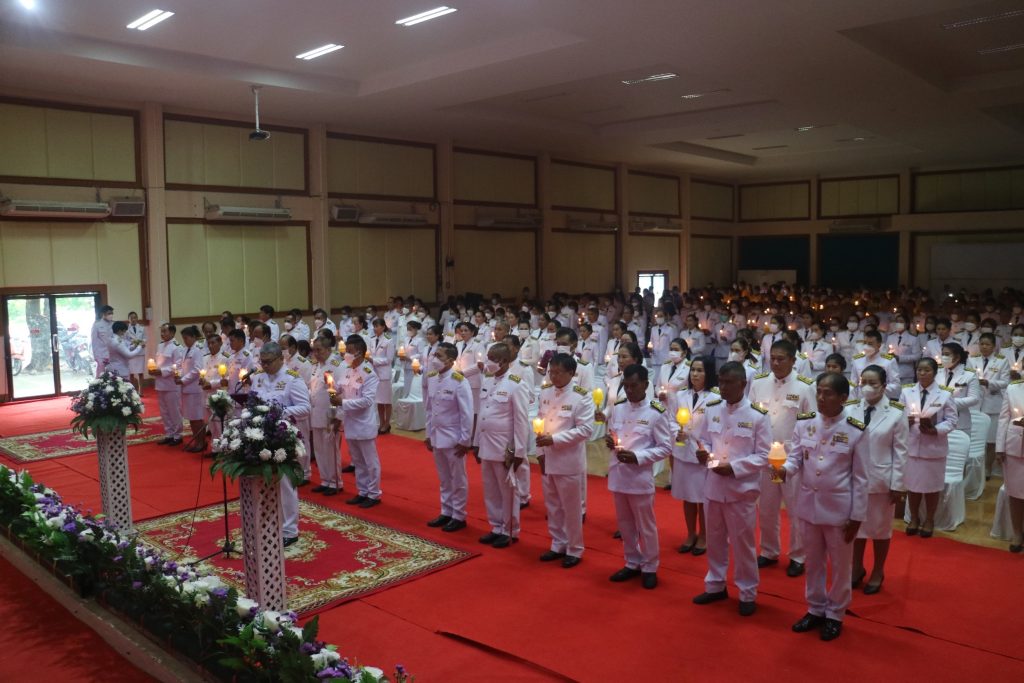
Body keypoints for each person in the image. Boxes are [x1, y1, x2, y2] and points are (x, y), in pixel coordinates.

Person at [775, 372, 869, 642]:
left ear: (843, 398)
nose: (821, 397)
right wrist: (783, 470)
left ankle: (835, 614)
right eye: (819, 392)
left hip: (839, 510)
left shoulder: (856, 430)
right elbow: (796, 459)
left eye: (828, 393)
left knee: (840, 566)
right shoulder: (805, 422)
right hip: (808, 505)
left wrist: (857, 516)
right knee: (813, 563)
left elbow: (861, 478)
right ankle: (815, 609)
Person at [691, 361, 771, 616]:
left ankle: (747, 592)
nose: (723, 387)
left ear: (743, 384)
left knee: (743, 544)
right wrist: (703, 453)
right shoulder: (713, 408)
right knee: (715, 540)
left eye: (728, 383)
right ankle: (715, 584)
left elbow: (764, 456)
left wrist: (734, 468)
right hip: (714, 485)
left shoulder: (757, 416)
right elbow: (704, 439)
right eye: (721, 382)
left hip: (741, 490)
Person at [748, 339, 816, 577]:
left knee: (796, 509)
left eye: (781, 359)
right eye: (772, 358)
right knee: (767, 507)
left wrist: (804, 458)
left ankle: (798, 555)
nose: (775, 363)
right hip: (765, 456)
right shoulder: (759, 383)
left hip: (792, 457)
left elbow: (811, 425)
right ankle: (769, 550)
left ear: (793, 360)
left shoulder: (805, 387)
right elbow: (752, 417)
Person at [604, 364, 673, 589]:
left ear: (645, 384)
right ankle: (632, 561)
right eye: (626, 386)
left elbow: (665, 447)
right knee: (625, 524)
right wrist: (610, 442)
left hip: (640, 476)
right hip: (618, 473)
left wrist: (638, 456)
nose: (629, 390)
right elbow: (613, 433)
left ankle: (650, 566)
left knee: (646, 525)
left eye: (634, 385)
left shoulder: (656, 412)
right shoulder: (619, 407)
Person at [848, 365, 908, 595]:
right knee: (855, 527)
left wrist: (898, 484)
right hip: (853, 479)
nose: (867, 387)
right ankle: (856, 567)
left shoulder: (896, 412)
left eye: (873, 383)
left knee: (880, 529)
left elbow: (901, 451)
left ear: (884, 386)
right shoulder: (851, 408)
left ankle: (878, 570)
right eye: (864, 382)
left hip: (881, 479)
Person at [536, 353, 595, 568]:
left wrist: (554, 440)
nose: (554, 376)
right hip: (548, 457)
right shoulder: (545, 392)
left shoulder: (581, 396)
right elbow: (539, 423)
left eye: (558, 372)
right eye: (551, 372)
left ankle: (574, 548)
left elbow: (585, 430)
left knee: (571, 508)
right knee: (552, 505)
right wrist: (540, 453)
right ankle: (557, 543)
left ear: (571, 373)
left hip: (568, 460)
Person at [249, 342, 310, 547]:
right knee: (265, 481)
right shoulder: (258, 377)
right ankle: (270, 523)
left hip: (284, 436)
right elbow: (253, 402)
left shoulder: (292, 379)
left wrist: (280, 412)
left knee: (285, 483)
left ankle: (290, 530)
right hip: (261, 436)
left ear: (280, 359)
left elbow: (305, 407)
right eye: (262, 362)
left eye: (268, 362)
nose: (265, 366)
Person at [472, 342, 530, 548]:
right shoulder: (488, 380)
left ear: (504, 361)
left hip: (504, 447)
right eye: (488, 357)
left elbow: (521, 421)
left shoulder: (516, 384)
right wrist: (476, 443)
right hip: (486, 443)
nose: (488, 362)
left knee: (508, 492)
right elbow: (482, 413)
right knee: (491, 490)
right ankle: (496, 526)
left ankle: (509, 530)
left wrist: (518, 451)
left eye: (493, 359)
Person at [900, 358, 958, 537]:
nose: (922, 373)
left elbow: (952, 421)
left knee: (932, 487)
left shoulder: (945, 394)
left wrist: (936, 430)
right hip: (912, 445)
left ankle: (930, 519)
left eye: (927, 370)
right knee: (912, 486)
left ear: (935, 372)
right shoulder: (907, 391)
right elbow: (899, 415)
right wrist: (905, 421)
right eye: (919, 370)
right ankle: (914, 518)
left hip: (933, 447)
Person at [424, 342, 475, 532]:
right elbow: (430, 409)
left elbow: (466, 413)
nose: (435, 359)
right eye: (435, 354)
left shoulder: (459, 381)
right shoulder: (432, 378)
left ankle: (459, 515)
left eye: (440, 356)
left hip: (454, 438)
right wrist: (428, 434)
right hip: (437, 435)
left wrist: (465, 440)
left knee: (457, 479)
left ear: (451, 361)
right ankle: (446, 511)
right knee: (444, 478)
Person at [671, 356, 718, 555]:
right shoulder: (681, 395)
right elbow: (671, 420)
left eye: (700, 370)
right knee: (687, 496)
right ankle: (691, 533)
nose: (695, 374)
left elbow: (716, 426)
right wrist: (677, 432)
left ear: (708, 373)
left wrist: (706, 447)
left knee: (703, 498)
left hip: (702, 454)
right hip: (683, 452)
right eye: (693, 370)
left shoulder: (716, 397)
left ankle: (704, 535)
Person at [330, 335, 383, 508]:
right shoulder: (347, 370)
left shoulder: (369, 374)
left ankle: (374, 494)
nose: (346, 354)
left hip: (364, 423)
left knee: (370, 462)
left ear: (359, 352)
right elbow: (339, 388)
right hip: (350, 422)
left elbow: (367, 401)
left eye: (350, 351)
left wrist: (342, 402)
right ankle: (362, 491)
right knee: (358, 461)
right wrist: (332, 389)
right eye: (346, 351)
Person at [969, 333, 1011, 477]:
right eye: (982, 344)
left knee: (991, 439)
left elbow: (1005, 382)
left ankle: (987, 468)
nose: (984, 347)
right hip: (976, 404)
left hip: (993, 403)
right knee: (976, 439)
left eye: (987, 344)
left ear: (993, 346)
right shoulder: (972, 359)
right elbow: (966, 378)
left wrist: (989, 383)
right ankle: (975, 468)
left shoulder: (1002, 361)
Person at [310, 336, 342, 496]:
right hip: (316, 412)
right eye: (314, 350)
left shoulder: (336, 366)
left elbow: (341, 392)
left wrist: (338, 416)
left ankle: (335, 481)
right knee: (319, 449)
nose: (316, 353)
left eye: (319, 350)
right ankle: (325, 479)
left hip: (330, 414)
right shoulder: (317, 366)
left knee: (330, 449)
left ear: (329, 349)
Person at [995, 376, 1024, 553]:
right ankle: (1017, 532)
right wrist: (1000, 448)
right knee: (1015, 493)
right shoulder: (1013, 388)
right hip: (1015, 448)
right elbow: (1004, 418)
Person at [149, 323, 184, 446]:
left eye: (165, 331)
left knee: (174, 410)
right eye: (162, 331)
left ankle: (178, 435)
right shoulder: (160, 345)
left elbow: (178, 366)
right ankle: (169, 433)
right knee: (164, 411)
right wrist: (153, 369)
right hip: (160, 383)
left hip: (171, 384)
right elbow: (158, 362)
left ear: (172, 333)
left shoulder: (177, 347)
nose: (162, 333)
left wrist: (162, 371)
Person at [175, 326, 207, 452]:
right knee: (191, 417)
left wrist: (183, 380)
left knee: (197, 417)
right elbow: (182, 366)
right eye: (183, 338)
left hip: (194, 389)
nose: (185, 340)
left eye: (186, 338)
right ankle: (197, 441)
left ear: (194, 337)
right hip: (187, 388)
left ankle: (201, 442)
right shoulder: (185, 349)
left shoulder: (197, 350)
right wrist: (178, 375)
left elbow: (197, 369)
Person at [940, 341, 981, 434]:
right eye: (942, 354)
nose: (943, 357)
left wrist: (949, 403)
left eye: (947, 354)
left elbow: (974, 398)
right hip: (938, 421)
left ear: (957, 357)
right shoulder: (937, 372)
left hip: (960, 422)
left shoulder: (969, 375)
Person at [369, 318, 396, 434]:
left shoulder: (389, 340)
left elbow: (389, 359)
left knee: (386, 401)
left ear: (383, 327)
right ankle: (381, 423)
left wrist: (374, 360)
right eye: (374, 326)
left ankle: (387, 423)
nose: (375, 328)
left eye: (377, 326)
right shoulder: (372, 339)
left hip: (384, 374)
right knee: (379, 401)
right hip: (374, 374)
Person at [90, 305, 115, 377]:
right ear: (103, 314)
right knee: (101, 375)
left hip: (113, 354)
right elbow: (94, 341)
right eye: (109, 313)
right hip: (101, 354)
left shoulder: (114, 324)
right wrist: (96, 356)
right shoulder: (97, 325)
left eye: (112, 313)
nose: (111, 315)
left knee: (113, 375)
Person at [126, 311, 147, 394]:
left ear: (137, 318)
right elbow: (126, 341)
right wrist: (132, 344)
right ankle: (132, 391)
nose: (133, 319)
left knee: (140, 372)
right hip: (131, 352)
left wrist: (142, 342)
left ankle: (141, 391)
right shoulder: (126, 329)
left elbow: (145, 338)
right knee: (131, 373)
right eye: (131, 318)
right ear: (128, 319)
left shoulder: (142, 328)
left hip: (140, 352)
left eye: (135, 317)